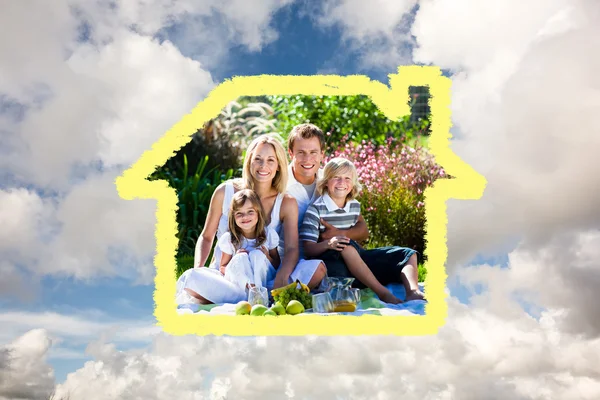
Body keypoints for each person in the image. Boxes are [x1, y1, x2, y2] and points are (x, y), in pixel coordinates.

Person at [175, 134, 326, 305]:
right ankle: (258, 298)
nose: (264, 166)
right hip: (228, 277)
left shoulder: (286, 202)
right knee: (191, 277)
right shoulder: (225, 192)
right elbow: (207, 236)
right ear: (249, 161)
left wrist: (282, 278)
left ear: (278, 166)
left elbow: (292, 249)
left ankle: (255, 295)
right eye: (258, 159)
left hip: (265, 277)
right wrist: (199, 267)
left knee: (316, 268)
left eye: (271, 160)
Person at [300, 156, 426, 303]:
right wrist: (329, 243)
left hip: (358, 260)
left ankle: (413, 291)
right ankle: (382, 292)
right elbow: (308, 249)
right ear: (326, 181)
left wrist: (342, 235)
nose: (342, 183)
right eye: (336, 177)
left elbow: (364, 232)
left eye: (347, 178)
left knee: (407, 254)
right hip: (333, 265)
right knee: (345, 247)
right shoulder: (316, 210)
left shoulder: (354, 206)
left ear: (353, 184)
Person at [218, 189, 280, 292]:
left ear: (258, 213)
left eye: (250, 211)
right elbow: (223, 267)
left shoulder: (268, 234)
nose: (245, 217)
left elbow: (277, 264)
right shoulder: (229, 239)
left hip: (264, 278)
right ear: (233, 217)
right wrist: (236, 259)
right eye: (239, 213)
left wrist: (267, 256)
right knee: (241, 257)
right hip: (241, 282)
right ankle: (252, 290)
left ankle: (259, 292)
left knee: (257, 254)